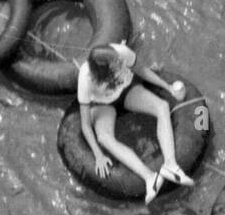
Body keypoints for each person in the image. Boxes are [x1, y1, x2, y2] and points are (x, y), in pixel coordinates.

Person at [76, 42, 195, 204]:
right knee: (104, 138)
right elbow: (85, 125)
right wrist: (98, 154)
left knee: (162, 106)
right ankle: (150, 178)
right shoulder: (86, 78)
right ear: (104, 72)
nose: (120, 62)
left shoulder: (121, 52)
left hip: (127, 91)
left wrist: (168, 87)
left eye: (119, 60)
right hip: (103, 105)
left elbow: (143, 71)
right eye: (116, 64)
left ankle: (171, 165)